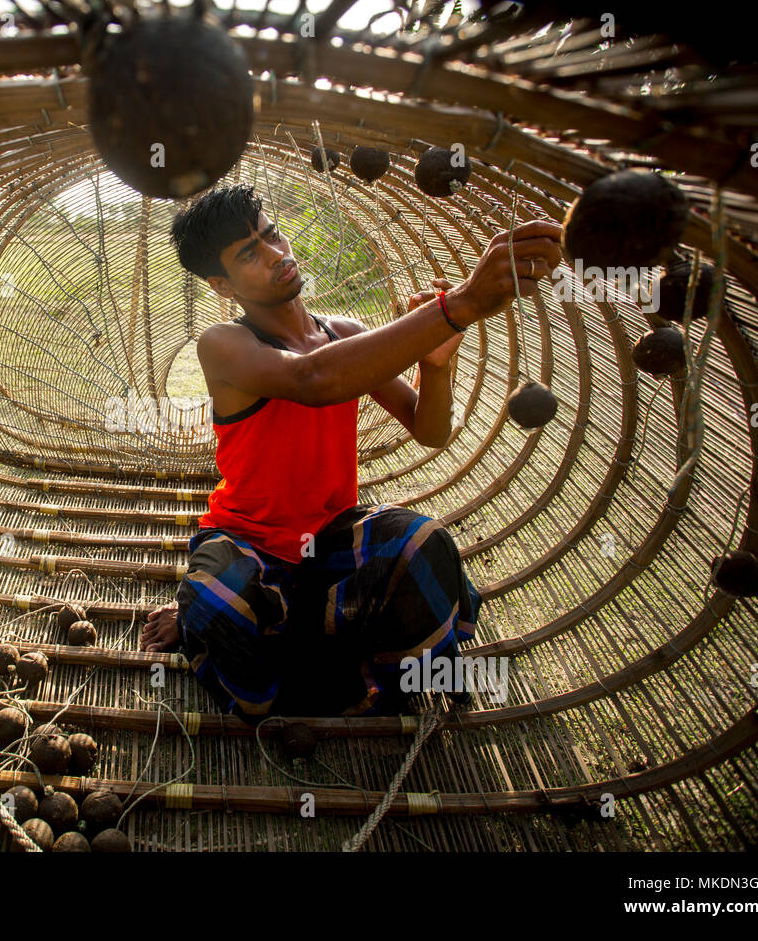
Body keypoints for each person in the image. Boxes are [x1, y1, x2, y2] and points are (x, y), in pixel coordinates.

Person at [140, 183, 563, 723]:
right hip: (249, 541)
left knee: (422, 544)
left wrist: (435, 365)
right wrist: (461, 305)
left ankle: (325, 666)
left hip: (331, 541)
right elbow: (313, 378)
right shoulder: (223, 343)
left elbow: (431, 431)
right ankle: (247, 652)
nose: (276, 255)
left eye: (271, 235)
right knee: (218, 596)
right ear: (220, 284)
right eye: (249, 254)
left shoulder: (343, 332)